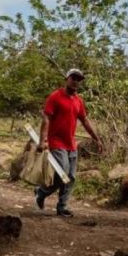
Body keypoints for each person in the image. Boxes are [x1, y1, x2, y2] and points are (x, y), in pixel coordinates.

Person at [34, 68, 103, 217]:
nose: (76, 82)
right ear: (67, 78)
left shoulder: (78, 101)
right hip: (56, 142)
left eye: (78, 80)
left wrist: (96, 138)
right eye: (73, 78)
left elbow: (84, 120)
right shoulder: (55, 97)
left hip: (71, 144)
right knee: (63, 174)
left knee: (71, 177)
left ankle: (62, 207)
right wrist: (42, 140)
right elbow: (46, 118)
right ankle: (41, 192)